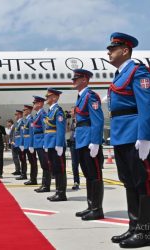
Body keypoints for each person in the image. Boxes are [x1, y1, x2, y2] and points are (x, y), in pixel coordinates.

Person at [106, 32, 150, 248]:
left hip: (134, 135)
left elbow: (145, 105)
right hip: (121, 135)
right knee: (129, 182)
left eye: (112, 48)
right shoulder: (119, 74)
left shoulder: (137, 70)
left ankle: (145, 231)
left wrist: (145, 137)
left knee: (143, 183)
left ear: (125, 50)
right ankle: (134, 227)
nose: (108, 52)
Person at [72, 69, 104, 221]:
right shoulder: (81, 96)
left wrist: (95, 142)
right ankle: (91, 206)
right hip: (82, 140)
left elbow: (97, 120)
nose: (73, 81)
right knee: (88, 175)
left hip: (89, 140)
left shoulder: (91, 96)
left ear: (84, 80)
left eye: (76, 79)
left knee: (95, 175)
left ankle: (97, 209)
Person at [44, 88, 67, 202]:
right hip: (50, 143)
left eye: (48, 96)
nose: (46, 98)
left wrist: (59, 144)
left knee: (60, 168)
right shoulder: (50, 110)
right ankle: (58, 191)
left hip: (56, 143)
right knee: (55, 169)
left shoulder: (58, 110)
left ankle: (61, 193)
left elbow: (61, 129)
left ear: (55, 97)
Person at [31, 96, 51, 193]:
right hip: (38, 142)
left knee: (45, 165)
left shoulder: (42, 114)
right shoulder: (37, 115)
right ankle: (44, 184)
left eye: (34, 103)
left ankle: (46, 185)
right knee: (43, 165)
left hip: (42, 142)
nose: (33, 105)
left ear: (40, 104)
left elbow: (45, 129)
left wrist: (45, 143)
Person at [19, 105, 38, 185]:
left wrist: (31, 145)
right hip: (26, 143)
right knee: (31, 161)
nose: (23, 111)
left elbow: (31, 133)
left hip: (30, 143)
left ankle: (33, 179)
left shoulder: (30, 120)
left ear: (29, 110)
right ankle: (32, 178)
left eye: (25, 110)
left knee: (33, 162)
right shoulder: (26, 120)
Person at [68, 107, 80, 191]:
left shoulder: (79, 119)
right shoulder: (71, 121)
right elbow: (69, 131)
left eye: (71, 111)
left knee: (83, 163)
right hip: (73, 143)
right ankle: (76, 181)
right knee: (74, 164)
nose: (70, 113)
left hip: (79, 143)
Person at [11, 110, 24, 176]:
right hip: (14, 143)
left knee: (21, 158)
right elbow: (14, 134)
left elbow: (21, 134)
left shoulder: (21, 122)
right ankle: (17, 170)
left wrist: (20, 143)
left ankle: (21, 171)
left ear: (20, 115)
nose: (15, 116)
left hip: (18, 143)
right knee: (15, 157)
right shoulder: (17, 123)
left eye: (16, 114)